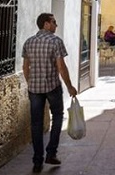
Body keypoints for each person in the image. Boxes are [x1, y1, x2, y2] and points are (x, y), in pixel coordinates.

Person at [22, 13, 78, 174]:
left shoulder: (29, 42)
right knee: (58, 116)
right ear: (46, 24)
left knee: (36, 124)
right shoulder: (55, 42)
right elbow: (61, 67)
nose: (56, 25)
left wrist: (30, 83)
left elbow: (26, 67)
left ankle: (37, 160)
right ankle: (51, 153)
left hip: (34, 88)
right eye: (54, 22)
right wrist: (70, 86)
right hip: (52, 86)